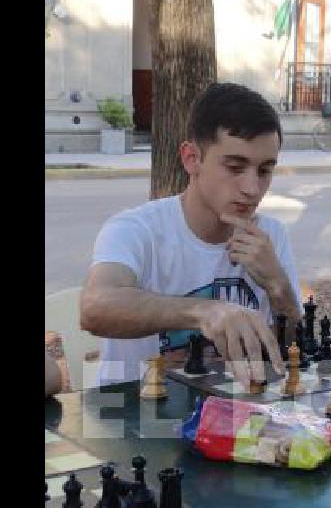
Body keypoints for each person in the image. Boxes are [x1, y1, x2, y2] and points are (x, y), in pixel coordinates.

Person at [80, 83, 302, 388]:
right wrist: (204, 311)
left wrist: (279, 288)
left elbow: (293, 349)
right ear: (191, 158)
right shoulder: (135, 229)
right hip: (136, 416)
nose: (252, 189)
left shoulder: (270, 236)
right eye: (235, 167)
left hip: (233, 415)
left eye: (264, 171)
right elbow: (95, 308)